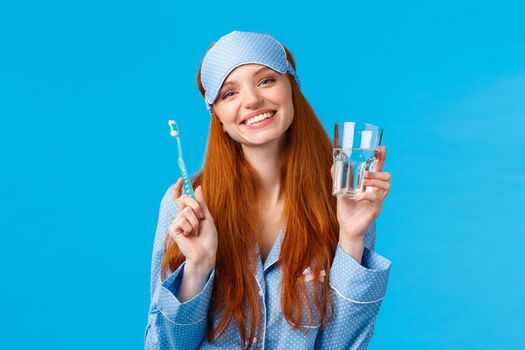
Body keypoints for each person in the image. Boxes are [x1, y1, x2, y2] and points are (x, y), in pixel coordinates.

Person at [145, 30, 392, 349]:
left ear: (292, 87)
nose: (251, 100)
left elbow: (341, 344)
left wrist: (352, 238)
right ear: (217, 115)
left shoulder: (344, 196)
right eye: (229, 93)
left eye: (265, 81)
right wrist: (198, 267)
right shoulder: (187, 206)